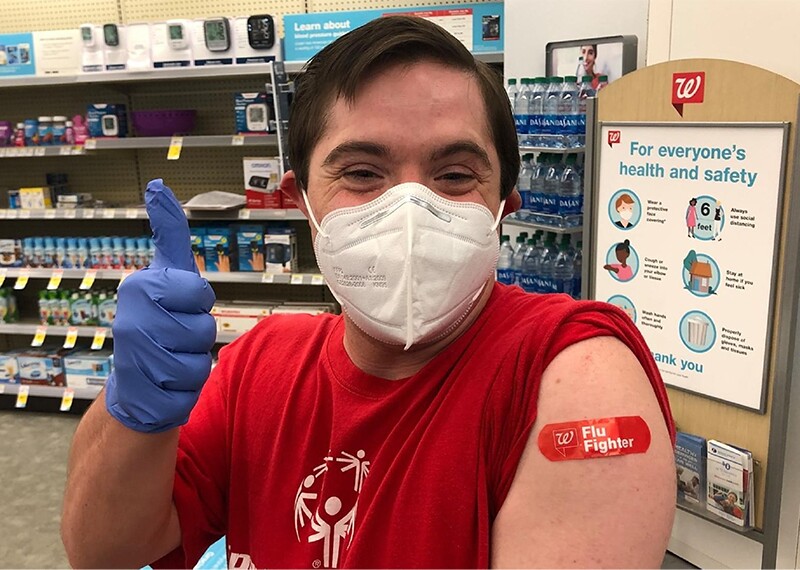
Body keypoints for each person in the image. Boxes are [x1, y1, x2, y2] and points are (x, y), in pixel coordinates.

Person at [61, 16, 676, 569]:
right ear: (303, 203)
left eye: (455, 175)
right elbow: (103, 551)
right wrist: (134, 411)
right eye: (361, 172)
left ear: (502, 208)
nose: (409, 206)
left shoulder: (570, 370)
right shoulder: (258, 365)